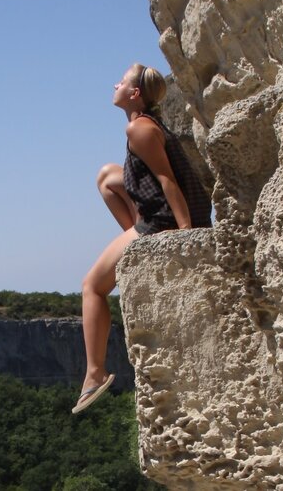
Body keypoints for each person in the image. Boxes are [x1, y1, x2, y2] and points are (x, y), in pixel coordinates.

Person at [72, 62, 212, 415]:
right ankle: (133, 240)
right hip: (159, 211)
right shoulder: (144, 125)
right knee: (107, 176)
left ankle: (94, 373)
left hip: (164, 220)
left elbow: (167, 180)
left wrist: (187, 235)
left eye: (121, 82)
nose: (115, 85)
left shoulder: (139, 129)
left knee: (92, 287)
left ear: (134, 94)